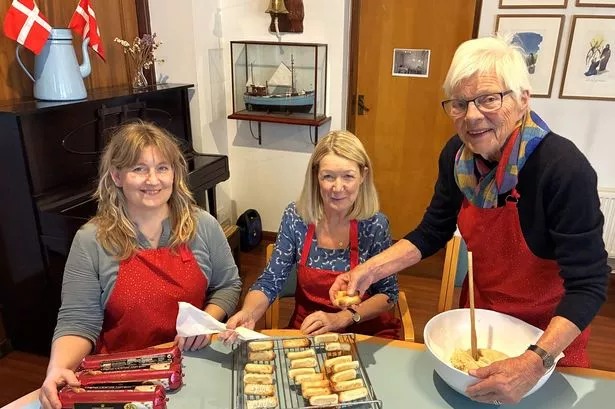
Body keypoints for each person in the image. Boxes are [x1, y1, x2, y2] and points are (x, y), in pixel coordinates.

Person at [330, 36, 610, 404]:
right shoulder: (457, 157)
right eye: (459, 104)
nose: (473, 115)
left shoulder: (562, 169)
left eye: (489, 99)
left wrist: (535, 361)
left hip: (550, 338)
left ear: (523, 98)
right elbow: (433, 231)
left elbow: (589, 285)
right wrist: (369, 271)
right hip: (482, 319)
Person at [40, 121, 241, 409]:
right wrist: (57, 367)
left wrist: (203, 321)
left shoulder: (203, 226)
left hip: (193, 364)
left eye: (162, 168)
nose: (153, 180)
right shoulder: (91, 241)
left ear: (175, 173)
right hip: (124, 377)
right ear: (116, 176)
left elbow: (228, 285)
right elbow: (78, 321)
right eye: (139, 169)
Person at [221, 130, 400, 343]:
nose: (338, 187)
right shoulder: (296, 217)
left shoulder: (375, 224)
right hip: (308, 330)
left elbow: (388, 295)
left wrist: (341, 318)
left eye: (348, 176)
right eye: (328, 176)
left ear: (363, 176)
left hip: (363, 330)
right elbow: (270, 281)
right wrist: (249, 312)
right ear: (316, 177)